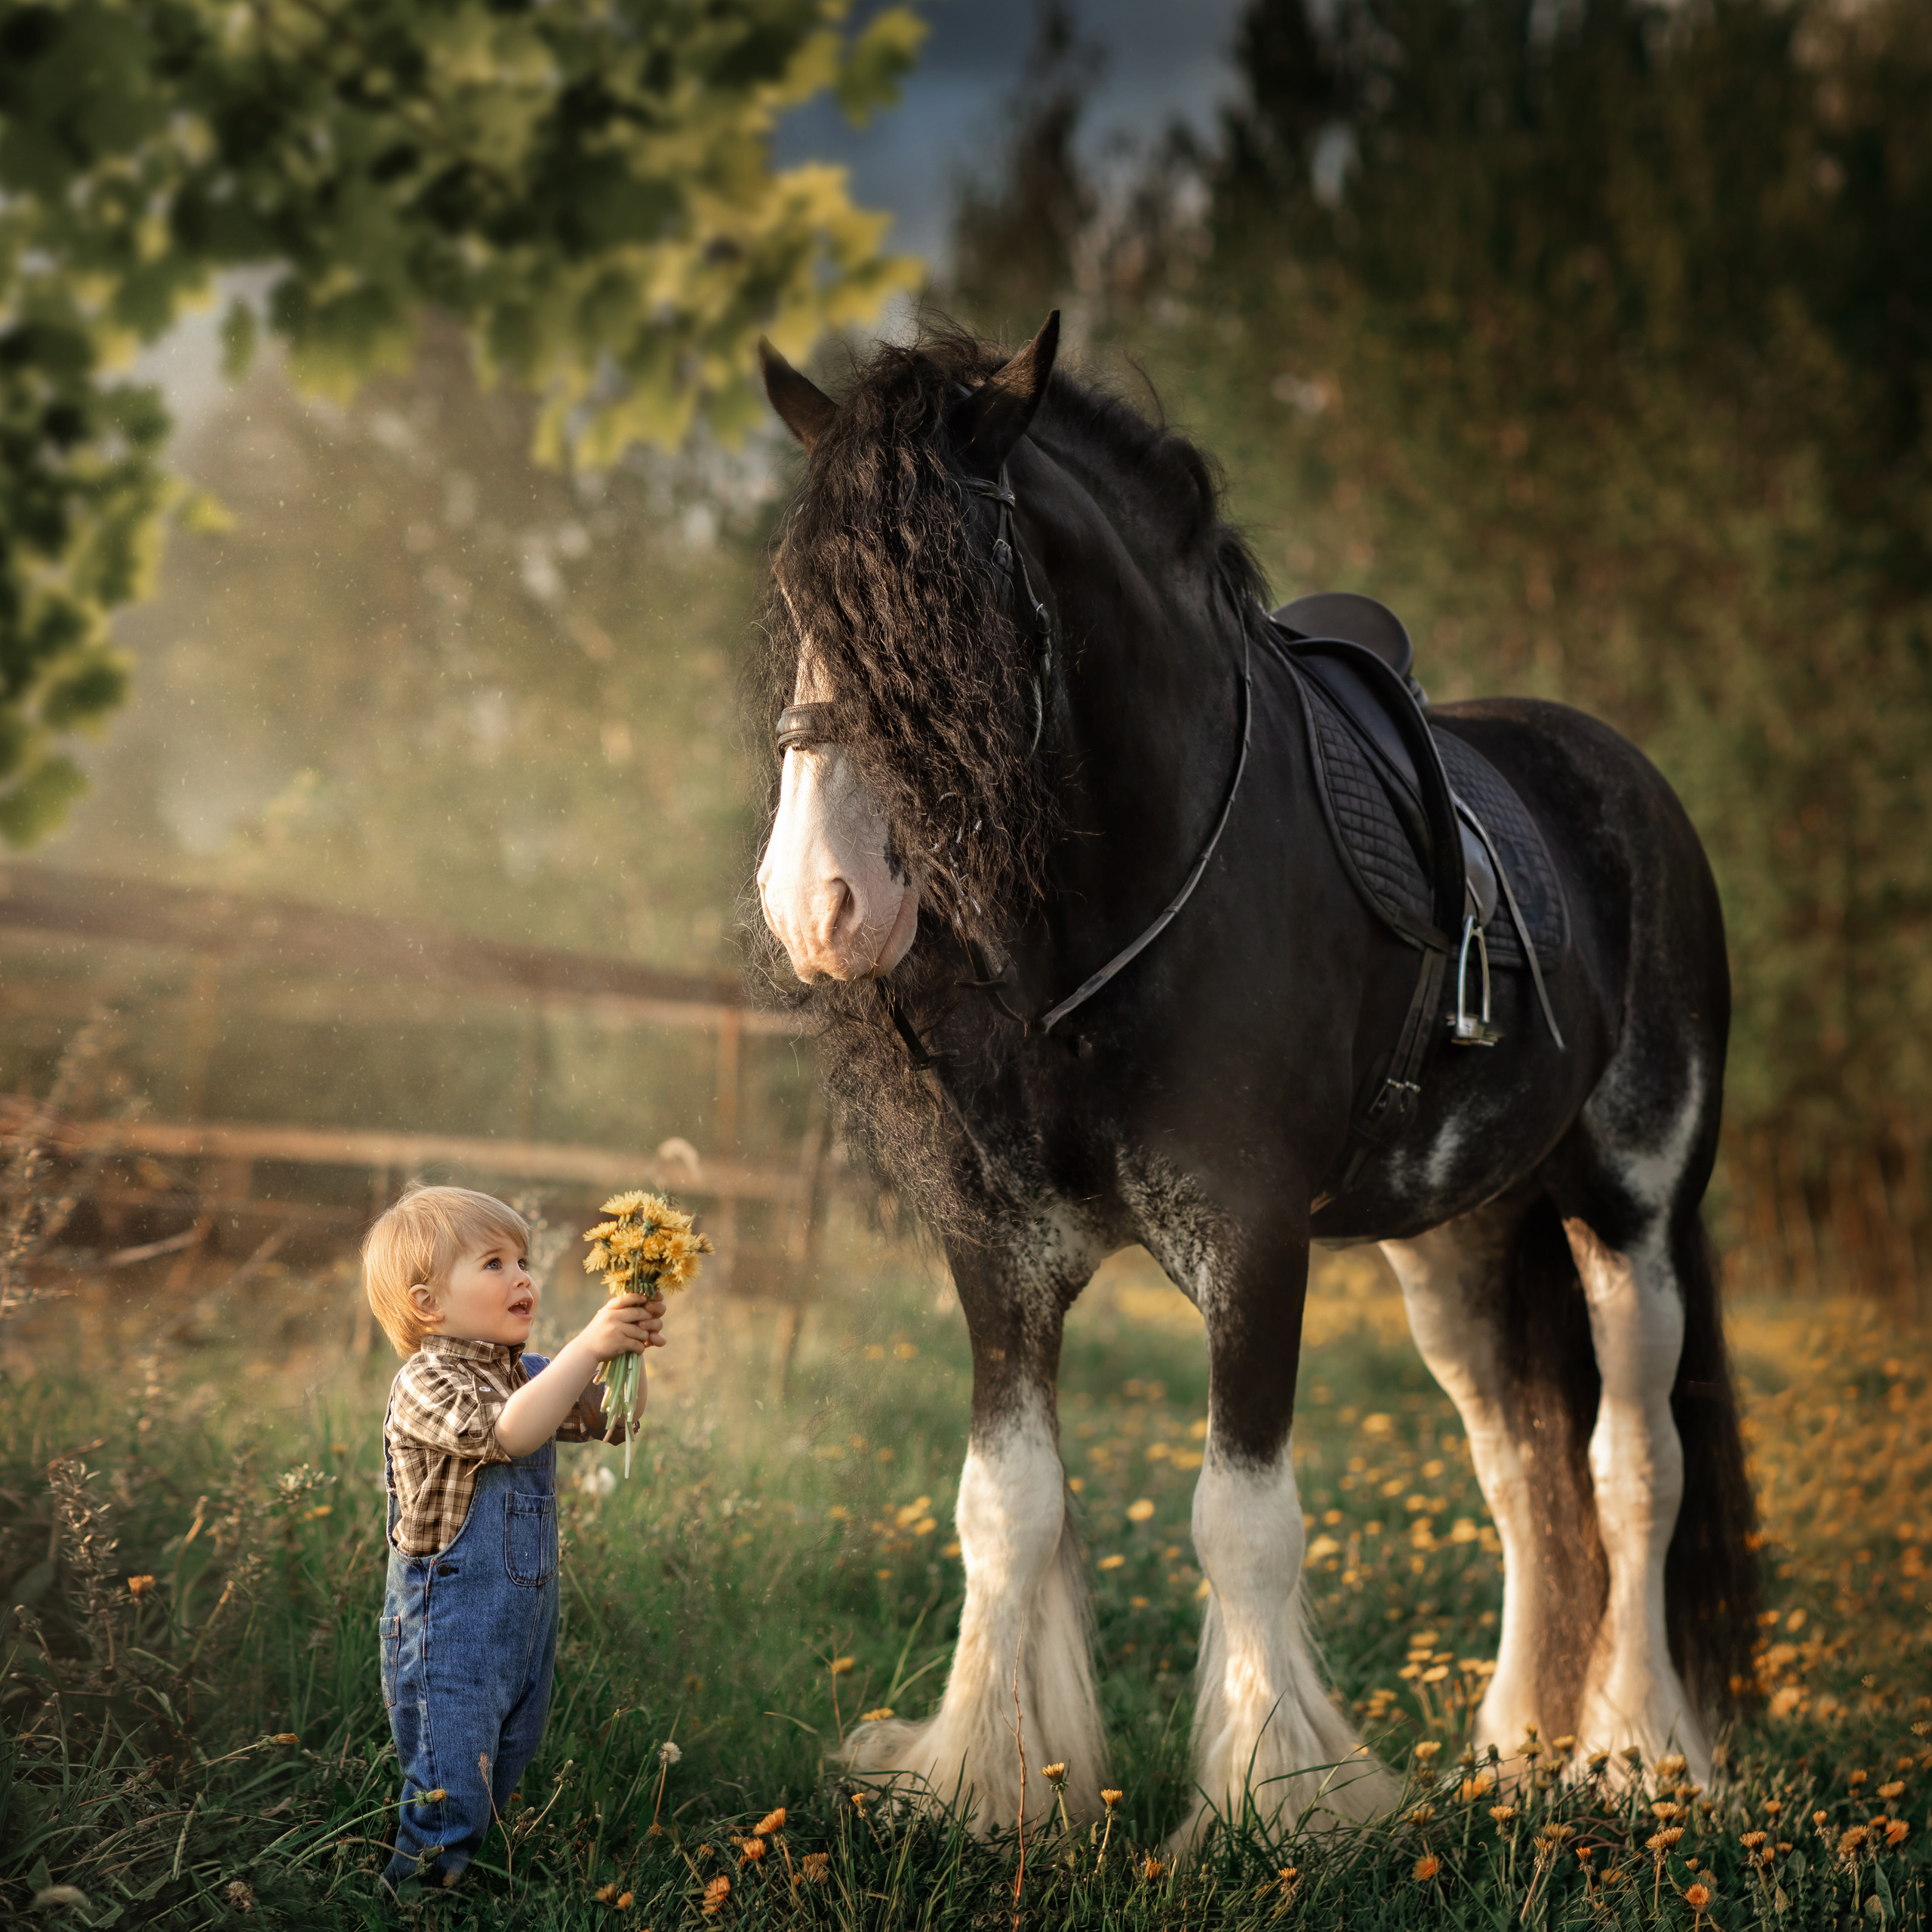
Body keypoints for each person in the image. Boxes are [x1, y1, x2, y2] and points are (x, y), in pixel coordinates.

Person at [361, 1184, 663, 1893]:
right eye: (494, 1263)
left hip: (520, 1629)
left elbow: (614, 1421)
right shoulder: (425, 1382)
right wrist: (590, 1344)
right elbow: (511, 1432)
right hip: (448, 1634)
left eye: (523, 1260)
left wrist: (628, 1354)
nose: (523, 1276)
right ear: (428, 1302)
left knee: (504, 1764)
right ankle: (415, 1898)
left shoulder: (528, 1373)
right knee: (451, 1788)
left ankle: (469, 1884)